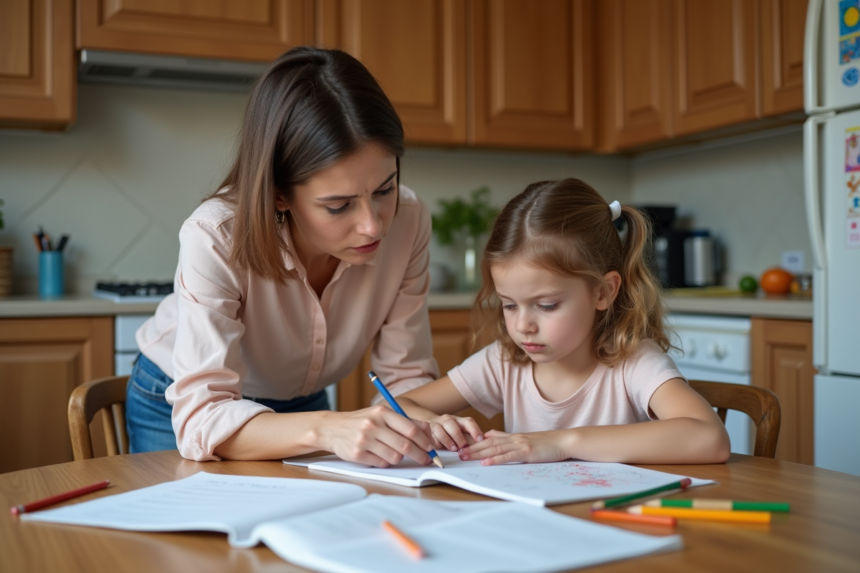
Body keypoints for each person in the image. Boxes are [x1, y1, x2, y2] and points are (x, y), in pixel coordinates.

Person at [127, 46, 441, 467]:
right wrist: (329, 427)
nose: (374, 225)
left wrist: (426, 419)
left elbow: (405, 377)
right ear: (279, 195)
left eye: (384, 190)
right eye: (338, 205)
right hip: (186, 407)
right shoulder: (215, 235)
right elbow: (203, 416)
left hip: (304, 408)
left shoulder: (410, 221)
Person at [395, 178, 731, 466]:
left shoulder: (634, 362)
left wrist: (560, 443)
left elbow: (710, 437)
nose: (523, 325)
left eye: (546, 305)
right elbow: (394, 406)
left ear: (602, 292)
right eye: (509, 305)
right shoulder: (504, 361)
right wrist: (432, 422)